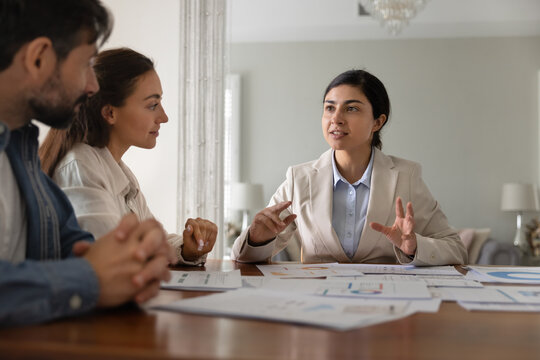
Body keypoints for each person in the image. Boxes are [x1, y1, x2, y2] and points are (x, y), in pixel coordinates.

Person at [0, 0, 174, 326]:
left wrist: (133, 261)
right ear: (38, 58)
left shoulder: (22, 155)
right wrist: (89, 278)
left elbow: (78, 248)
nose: (93, 86)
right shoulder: (75, 162)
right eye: (85, 65)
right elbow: (88, 270)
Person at [232, 69, 467, 265]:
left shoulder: (406, 176)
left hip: (385, 306)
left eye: (351, 108)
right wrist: (256, 239)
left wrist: (414, 246)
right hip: (315, 308)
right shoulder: (299, 179)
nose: (336, 118)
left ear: (377, 121)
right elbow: (242, 258)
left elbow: (456, 249)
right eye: (329, 108)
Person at [39, 48, 217, 265]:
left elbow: (151, 243)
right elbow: (112, 261)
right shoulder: (80, 167)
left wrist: (187, 249)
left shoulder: (119, 171)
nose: (164, 117)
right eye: (152, 105)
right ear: (110, 113)